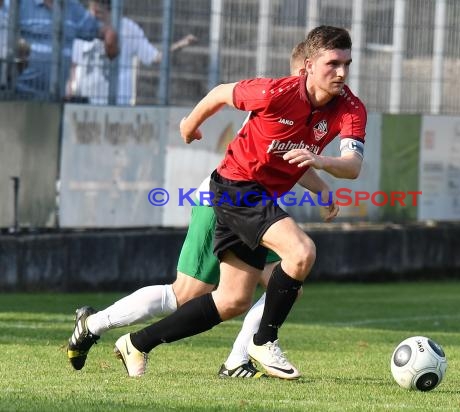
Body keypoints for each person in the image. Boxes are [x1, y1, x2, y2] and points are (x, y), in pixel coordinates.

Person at [66, 41, 335, 379]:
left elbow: (293, 159)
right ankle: (93, 323)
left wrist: (323, 188)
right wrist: (190, 123)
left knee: (285, 285)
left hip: (257, 206)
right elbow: (226, 100)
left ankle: (239, 359)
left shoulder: (305, 111)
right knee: (186, 293)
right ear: (303, 70)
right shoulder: (276, 98)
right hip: (223, 202)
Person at [67, 0, 197, 105]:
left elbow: (155, 57)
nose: (96, 11)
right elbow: (72, 64)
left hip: (118, 105)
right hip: (84, 103)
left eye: (102, 5)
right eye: (94, 5)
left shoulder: (128, 28)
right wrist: (70, 90)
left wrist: (181, 45)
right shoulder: (83, 26)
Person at [16, 0, 118, 99]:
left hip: (55, 98)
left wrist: (109, 35)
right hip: (18, 95)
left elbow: (97, 28)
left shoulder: (72, 7)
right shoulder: (19, 3)